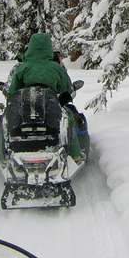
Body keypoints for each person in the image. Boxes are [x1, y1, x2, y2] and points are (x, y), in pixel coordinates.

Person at [6, 33, 83, 162]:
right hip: (50, 105)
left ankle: (2, 156)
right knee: (68, 116)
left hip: (25, 106)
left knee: (5, 120)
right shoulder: (56, 68)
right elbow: (66, 89)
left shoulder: (22, 68)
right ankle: (75, 155)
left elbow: (13, 91)